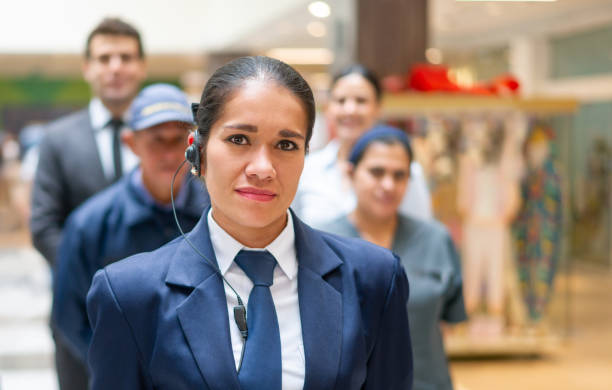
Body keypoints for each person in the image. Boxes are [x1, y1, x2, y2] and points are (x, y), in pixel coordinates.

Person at [86, 56, 413, 390]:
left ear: (305, 157)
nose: (262, 168)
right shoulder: (130, 294)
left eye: (286, 145)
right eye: (239, 139)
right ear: (197, 151)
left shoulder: (374, 279)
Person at [51, 83, 210, 374]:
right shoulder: (90, 224)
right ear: (131, 143)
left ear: (194, 144)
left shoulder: (217, 214)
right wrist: (119, 368)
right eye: (156, 140)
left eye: (177, 140)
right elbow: (70, 316)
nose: (168, 153)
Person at [29, 17, 146, 390]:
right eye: (105, 57)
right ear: (87, 68)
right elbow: (44, 226)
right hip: (78, 312)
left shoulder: (165, 139)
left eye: (126, 57)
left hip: (153, 307)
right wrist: (96, 282)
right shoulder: (57, 140)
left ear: (141, 66)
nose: (115, 67)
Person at [322, 125, 466, 390]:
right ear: (350, 174)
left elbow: (448, 322)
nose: (388, 185)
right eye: (376, 172)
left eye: (399, 175)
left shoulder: (435, 240)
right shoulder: (323, 243)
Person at [293, 64, 432, 227]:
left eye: (361, 101)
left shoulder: (406, 174)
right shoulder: (306, 170)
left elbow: (421, 239)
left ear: (378, 108)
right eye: (341, 101)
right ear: (329, 108)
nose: (350, 110)